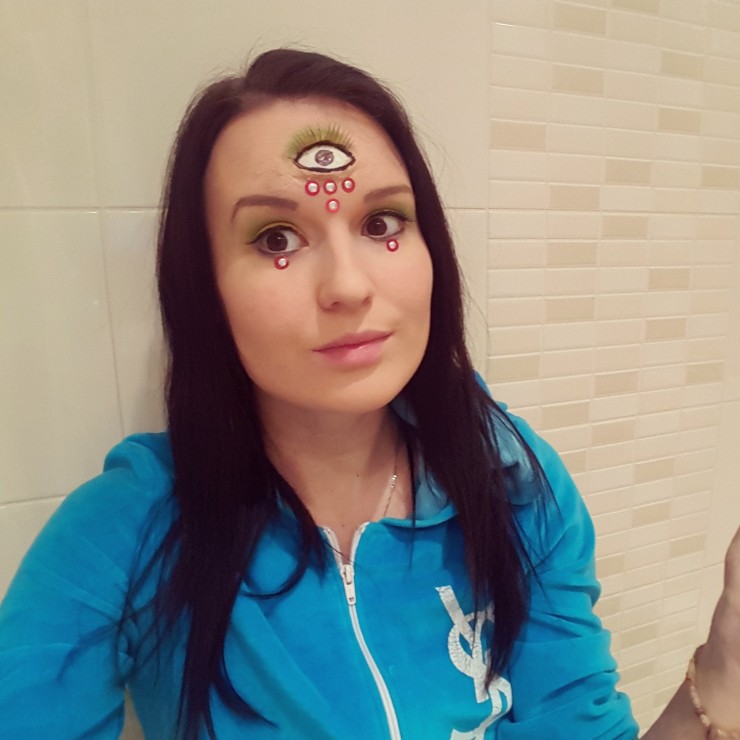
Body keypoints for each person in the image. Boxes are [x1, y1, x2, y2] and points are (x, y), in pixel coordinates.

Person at [0, 48, 738, 740]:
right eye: (276, 238)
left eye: (382, 223)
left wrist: (723, 678)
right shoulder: (132, 528)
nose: (349, 286)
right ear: (205, 289)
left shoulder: (512, 483)